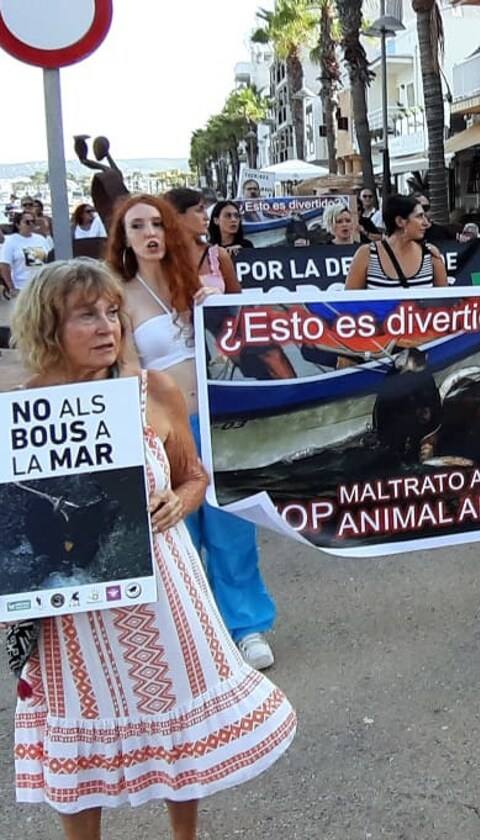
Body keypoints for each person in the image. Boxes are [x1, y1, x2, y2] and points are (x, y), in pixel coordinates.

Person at [8, 259, 295, 839]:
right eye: (86, 315)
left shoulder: (153, 390)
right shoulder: (19, 412)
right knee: (79, 732)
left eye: (112, 312)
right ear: (48, 327)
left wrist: (180, 501)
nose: (107, 326)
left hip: (160, 585)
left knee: (177, 725)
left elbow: (195, 475)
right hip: (69, 603)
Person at [107, 194, 280, 671]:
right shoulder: (119, 295)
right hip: (162, 429)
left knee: (231, 527)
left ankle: (246, 626)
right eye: (137, 225)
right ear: (123, 236)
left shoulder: (193, 282)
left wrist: (217, 310)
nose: (149, 233)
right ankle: (194, 634)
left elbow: (241, 341)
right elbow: (124, 369)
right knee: (176, 535)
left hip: (214, 417)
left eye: (156, 223)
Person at [345, 194, 448, 291]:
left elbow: (446, 303)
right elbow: (347, 303)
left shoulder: (431, 254)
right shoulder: (366, 255)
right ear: (400, 221)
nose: (425, 223)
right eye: (419, 216)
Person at [163, 188, 240, 293]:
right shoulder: (160, 258)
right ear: (176, 215)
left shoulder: (218, 256)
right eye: (199, 210)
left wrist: (218, 299)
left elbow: (237, 302)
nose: (206, 217)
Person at [0, 211, 51, 298]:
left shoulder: (41, 239)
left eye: (33, 221)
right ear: (18, 225)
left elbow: (49, 260)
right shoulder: (10, 241)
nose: (31, 224)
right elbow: (4, 266)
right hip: (22, 288)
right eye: (27, 222)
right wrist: (11, 288)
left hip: (42, 286)